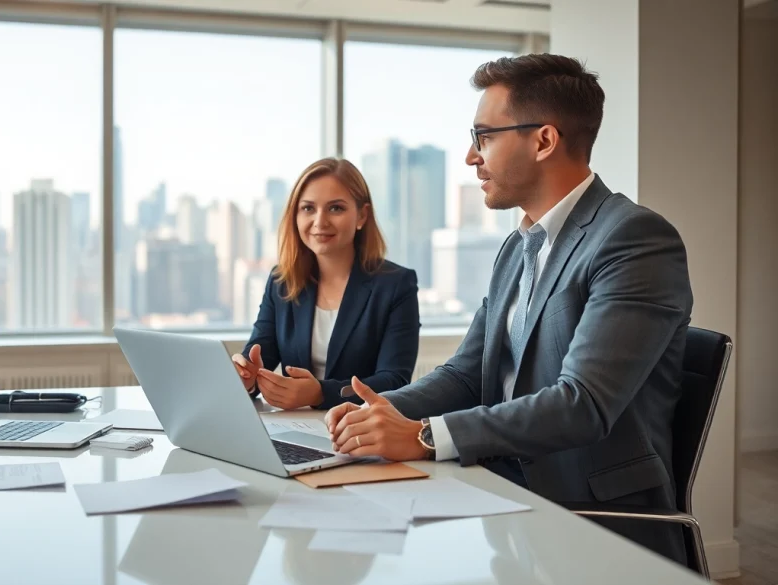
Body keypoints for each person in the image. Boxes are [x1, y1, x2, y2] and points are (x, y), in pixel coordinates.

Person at [324, 54, 693, 566]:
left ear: (543, 140)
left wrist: (427, 437)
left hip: (587, 514)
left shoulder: (633, 239)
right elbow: (467, 371)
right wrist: (384, 414)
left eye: (484, 137)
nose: (472, 158)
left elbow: (581, 403)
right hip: (497, 490)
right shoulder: (519, 245)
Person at [232, 157, 420, 411]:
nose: (320, 221)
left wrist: (321, 393)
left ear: (362, 215)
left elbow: (395, 381)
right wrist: (246, 377)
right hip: (294, 427)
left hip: (359, 427)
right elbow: (258, 359)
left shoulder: (396, 285)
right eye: (308, 208)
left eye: (336, 208)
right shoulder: (281, 282)